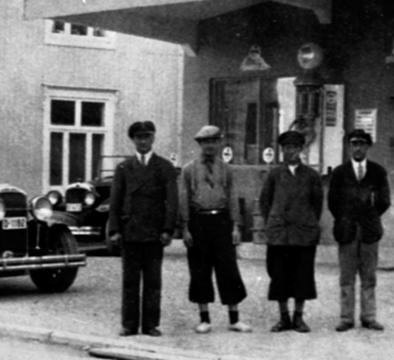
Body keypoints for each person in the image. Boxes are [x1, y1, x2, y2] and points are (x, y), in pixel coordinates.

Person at [107, 121, 178, 337]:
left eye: (147, 136)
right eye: (139, 137)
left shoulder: (164, 167)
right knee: (130, 282)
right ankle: (129, 324)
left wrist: (167, 230)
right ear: (133, 140)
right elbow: (115, 201)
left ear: (154, 138)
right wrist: (114, 230)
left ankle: (150, 325)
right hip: (130, 232)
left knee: (153, 281)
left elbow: (172, 201)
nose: (143, 141)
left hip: (154, 233)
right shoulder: (123, 168)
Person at [179, 125, 251, 334]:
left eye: (214, 141)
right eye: (206, 142)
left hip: (221, 222)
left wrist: (236, 226)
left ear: (220, 143)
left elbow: (232, 197)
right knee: (200, 270)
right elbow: (184, 199)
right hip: (199, 221)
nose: (210, 146)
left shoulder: (226, 169)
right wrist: (185, 228)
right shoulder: (189, 169)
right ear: (200, 144)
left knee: (228, 269)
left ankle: (234, 318)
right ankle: (204, 319)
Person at [257, 129, 325, 332]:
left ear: (301, 149)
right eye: (287, 148)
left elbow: (317, 205)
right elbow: (265, 202)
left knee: (302, 276)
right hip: (280, 235)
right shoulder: (274, 174)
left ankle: (298, 318)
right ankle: (283, 317)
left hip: (303, 235)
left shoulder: (311, 176)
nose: (291, 151)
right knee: (279, 276)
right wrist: (275, 222)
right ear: (282, 150)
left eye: (295, 147)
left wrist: (306, 222)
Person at [326, 128, 391, 332]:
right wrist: (347, 218)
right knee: (346, 278)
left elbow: (384, 201)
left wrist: (369, 217)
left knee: (369, 278)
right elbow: (333, 203)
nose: (358, 148)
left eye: (362, 144)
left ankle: (368, 317)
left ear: (368, 147)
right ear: (349, 147)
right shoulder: (339, 173)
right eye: (354, 144)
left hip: (369, 232)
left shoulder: (378, 172)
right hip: (347, 231)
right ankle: (346, 318)